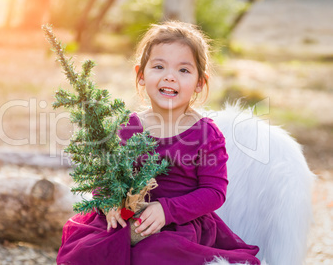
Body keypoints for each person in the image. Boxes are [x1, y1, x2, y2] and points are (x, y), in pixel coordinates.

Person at [56, 21, 261, 265]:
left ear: (199, 83)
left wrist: (167, 210)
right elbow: (107, 174)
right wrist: (109, 203)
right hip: (127, 216)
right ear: (141, 75)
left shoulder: (205, 134)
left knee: (152, 255)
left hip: (179, 225)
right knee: (88, 251)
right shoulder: (128, 126)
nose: (170, 76)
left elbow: (214, 192)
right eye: (159, 66)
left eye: (183, 70)